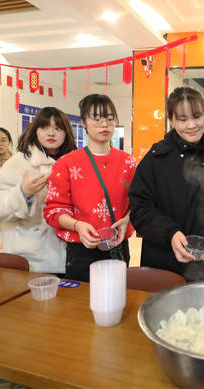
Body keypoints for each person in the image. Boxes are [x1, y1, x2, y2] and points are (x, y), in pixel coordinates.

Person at [129, 87, 204, 281]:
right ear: (171, 120)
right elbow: (140, 208)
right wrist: (170, 234)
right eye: (183, 119)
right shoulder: (156, 159)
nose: (192, 125)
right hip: (163, 261)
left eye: (197, 116)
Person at [44, 95, 135, 282]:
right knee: (79, 305)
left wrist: (128, 219)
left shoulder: (128, 162)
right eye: (97, 119)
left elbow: (141, 202)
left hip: (118, 246)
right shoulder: (66, 163)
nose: (105, 125)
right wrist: (77, 225)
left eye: (110, 119)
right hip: (81, 249)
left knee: (118, 300)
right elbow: (53, 210)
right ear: (83, 122)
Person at [0, 107, 76, 274]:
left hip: (70, 253)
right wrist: (22, 193)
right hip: (31, 258)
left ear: (66, 132)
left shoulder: (74, 162)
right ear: (35, 130)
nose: (51, 133)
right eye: (44, 127)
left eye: (58, 128)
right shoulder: (19, 162)